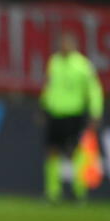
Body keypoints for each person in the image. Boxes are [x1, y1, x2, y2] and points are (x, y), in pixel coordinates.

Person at [40, 33, 104, 203]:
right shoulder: (54, 62)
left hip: (74, 114)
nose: (63, 46)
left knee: (74, 152)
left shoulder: (83, 65)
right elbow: (49, 86)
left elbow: (94, 90)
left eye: (66, 43)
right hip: (55, 113)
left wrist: (95, 112)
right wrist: (44, 106)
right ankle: (52, 192)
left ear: (74, 45)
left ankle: (79, 191)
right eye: (61, 43)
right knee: (51, 151)